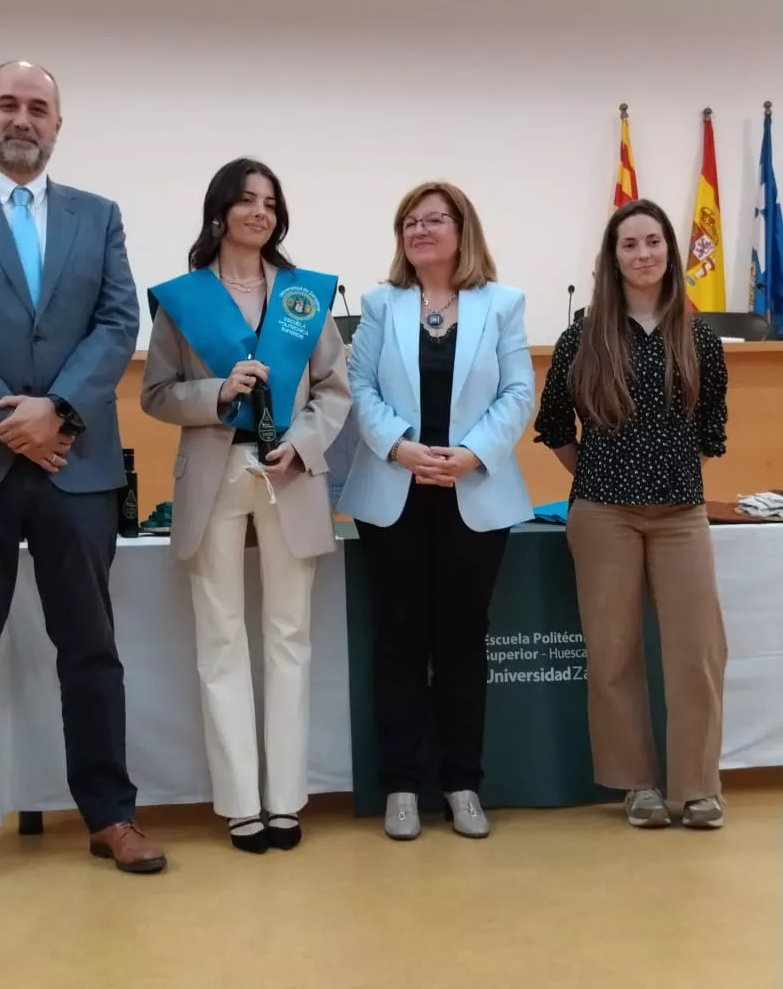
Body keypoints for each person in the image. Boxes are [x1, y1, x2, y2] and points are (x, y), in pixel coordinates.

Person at [0, 59, 166, 895]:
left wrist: (60, 413)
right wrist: (11, 422)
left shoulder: (98, 216)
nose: (23, 118)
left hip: (73, 462)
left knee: (91, 648)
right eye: (8, 103)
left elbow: (119, 321)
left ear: (57, 124)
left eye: (38, 107)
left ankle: (110, 814)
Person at [142, 158, 350, 852]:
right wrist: (218, 393)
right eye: (246, 200)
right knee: (221, 638)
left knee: (290, 636)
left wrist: (308, 444)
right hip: (214, 473)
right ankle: (239, 803)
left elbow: (333, 391)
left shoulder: (304, 295)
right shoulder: (182, 298)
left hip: (290, 473)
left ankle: (287, 799)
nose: (259, 212)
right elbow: (157, 393)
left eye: (270, 202)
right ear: (220, 210)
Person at [339, 182, 534, 841]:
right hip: (393, 492)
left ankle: (461, 783)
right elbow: (356, 385)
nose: (420, 230)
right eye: (409, 222)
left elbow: (516, 392)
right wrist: (399, 447)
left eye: (434, 220)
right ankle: (399, 783)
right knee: (397, 639)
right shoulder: (379, 304)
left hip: (472, 493)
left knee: (460, 640)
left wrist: (472, 454)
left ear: (461, 230)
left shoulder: (501, 304)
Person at [535, 198, 728, 830]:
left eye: (653, 241)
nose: (642, 253)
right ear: (611, 258)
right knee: (612, 650)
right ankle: (636, 785)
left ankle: (698, 787)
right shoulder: (582, 337)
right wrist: (600, 480)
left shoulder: (698, 335)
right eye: (629, 244)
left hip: (681, 514)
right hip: (603, 515)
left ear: (670, 251)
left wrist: (660, 470)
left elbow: (710, 428)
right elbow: (556, 427)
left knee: (697, 649)